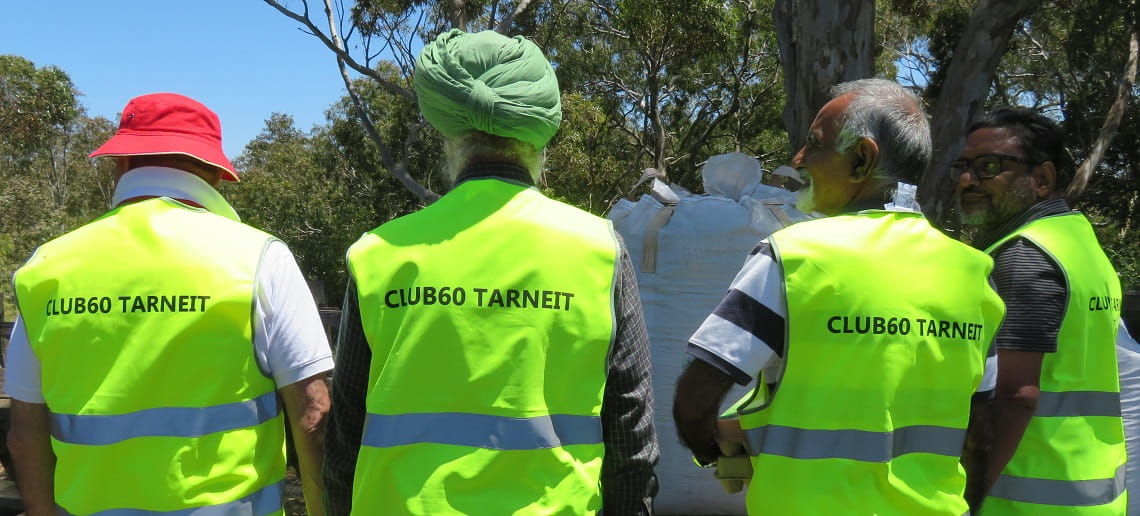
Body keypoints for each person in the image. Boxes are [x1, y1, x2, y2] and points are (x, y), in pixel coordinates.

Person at [322, 29, 658, 515]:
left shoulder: (379, 254)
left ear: (448, 134)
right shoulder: (598, 249)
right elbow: (632, 437)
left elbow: (344, 438)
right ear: (538, 134)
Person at [673, 78, 1005, 514]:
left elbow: (694, 404)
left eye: (814, 144)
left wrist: (716, 450)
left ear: (862, 158)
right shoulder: (974, 273)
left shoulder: (794, 256)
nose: (799, 160)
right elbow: (980, 434)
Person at [6, 92, 333, 515]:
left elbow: (23, 435)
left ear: (122, 163)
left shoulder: (44, 268)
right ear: (215, 174)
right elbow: (313, 415)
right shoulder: (257, 258)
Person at [954, 107, 1127, 514]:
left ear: (1042, 179)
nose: (967, 180)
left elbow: (1015, 396)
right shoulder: (1077, 241)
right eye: (963, 167)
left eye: (989, 166)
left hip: (1023, 497)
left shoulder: (1023, 257)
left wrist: (963, 502)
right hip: (1092, 490)